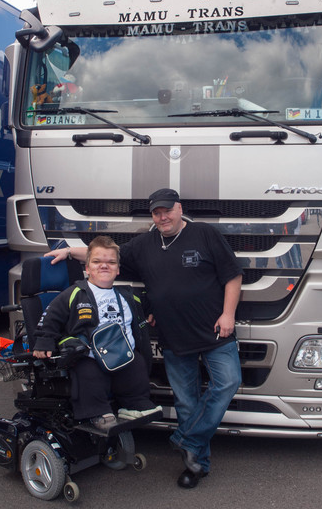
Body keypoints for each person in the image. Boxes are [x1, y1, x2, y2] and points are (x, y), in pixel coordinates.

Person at [46, 188, 243, 488]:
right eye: (156, 212)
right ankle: (196, 464)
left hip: (216, 331)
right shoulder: (144, 244)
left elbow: (233, 275)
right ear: (152, 215)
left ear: (179, 208)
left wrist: (228, 314)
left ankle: (186, 440)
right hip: (174, 336)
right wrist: (71, 252)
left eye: (167, 210)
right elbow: (108, 257)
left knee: (229, 382)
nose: (162, 217)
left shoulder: (205, 234)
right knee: (187, 403)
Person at [33, 235, 161, 431]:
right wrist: (44, 341)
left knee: (136, 364)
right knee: (88, 373)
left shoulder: (127, 296)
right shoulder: (74, 293)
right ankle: (97, 412)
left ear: (118, 269)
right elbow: (50, 318)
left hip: (120, 354)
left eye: (111, 262)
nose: (104, 266)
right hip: (89, 355)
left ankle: (134, 403)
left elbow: (147, 304)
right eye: (97, 262)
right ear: (87, 268)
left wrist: (152, 309)